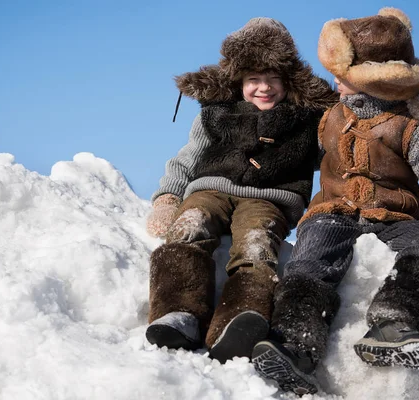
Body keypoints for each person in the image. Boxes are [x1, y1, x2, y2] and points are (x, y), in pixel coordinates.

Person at [251, 7, 419, 395]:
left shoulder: (413, 123)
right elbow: (290, 117)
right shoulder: (329, 113)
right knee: (310, 261)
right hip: (331, 212)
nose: (334, 80)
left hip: (396, 215)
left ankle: (396, 323)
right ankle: (296, 344)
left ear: (372, 78)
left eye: (343, 74)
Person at [144, 17, 337, 364]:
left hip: (269, 198)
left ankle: (239, 318)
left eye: (272, 79)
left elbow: (333, 158)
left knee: (257, 243)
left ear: (288, 80)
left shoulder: (306, 119)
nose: (263, 88)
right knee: (190, 224)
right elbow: (187, 158)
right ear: (238, 80)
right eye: (253, 79)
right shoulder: (217, 113)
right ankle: (177, 313)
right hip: (210, 189)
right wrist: (168, 198)